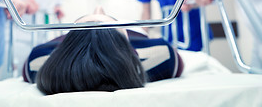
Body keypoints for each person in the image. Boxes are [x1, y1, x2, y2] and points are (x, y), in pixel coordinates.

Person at [22, 7, 184, 95]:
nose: (98, 9)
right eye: (114, 22)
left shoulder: (40, 60)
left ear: (65, 42)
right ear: (130, 49)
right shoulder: (160, 56)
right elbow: (174, 59)